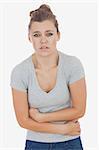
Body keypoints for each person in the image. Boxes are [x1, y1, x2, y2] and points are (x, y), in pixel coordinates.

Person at [10, 4, 87, 150]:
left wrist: (41, 117)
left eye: (49, 34)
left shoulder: (72, 65)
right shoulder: (20, 72)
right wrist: (62, 129)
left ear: (58, 35)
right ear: (29, 37)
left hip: (70, 143)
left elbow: (79, 110)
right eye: (36, 35)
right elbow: (23, 120)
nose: (43, 41)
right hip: (36, 144)